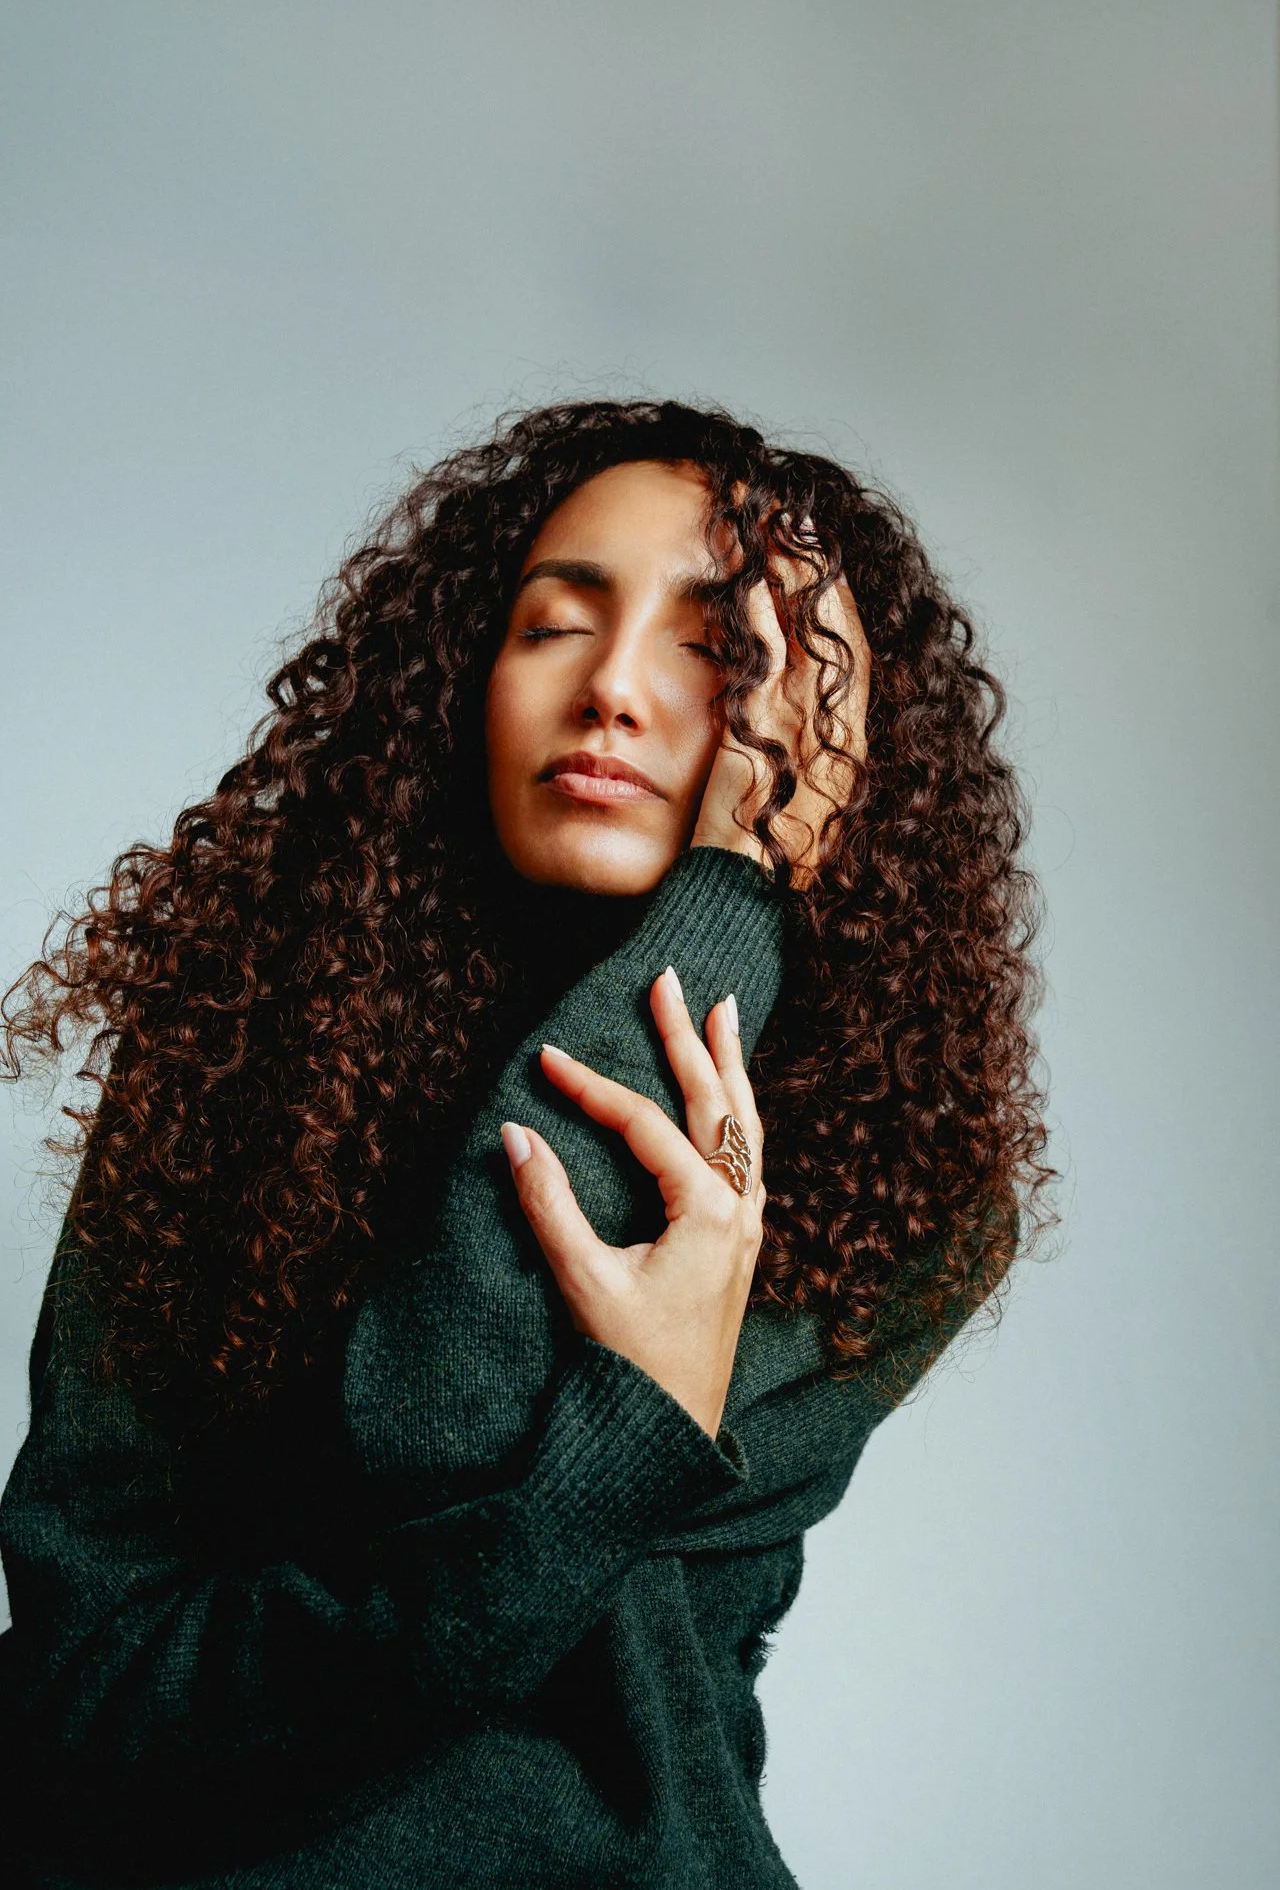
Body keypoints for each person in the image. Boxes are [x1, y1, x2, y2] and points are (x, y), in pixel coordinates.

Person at [0, 398, 1055, 1887]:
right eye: (554, 626)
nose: (614, 687)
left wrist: (733, 886)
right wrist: (633, 1427)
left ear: (832, 735)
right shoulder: (235, 1070)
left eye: (722, 648)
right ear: (460, 683)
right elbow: (91, 1690)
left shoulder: (909, 1193)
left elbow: (447, 1485)